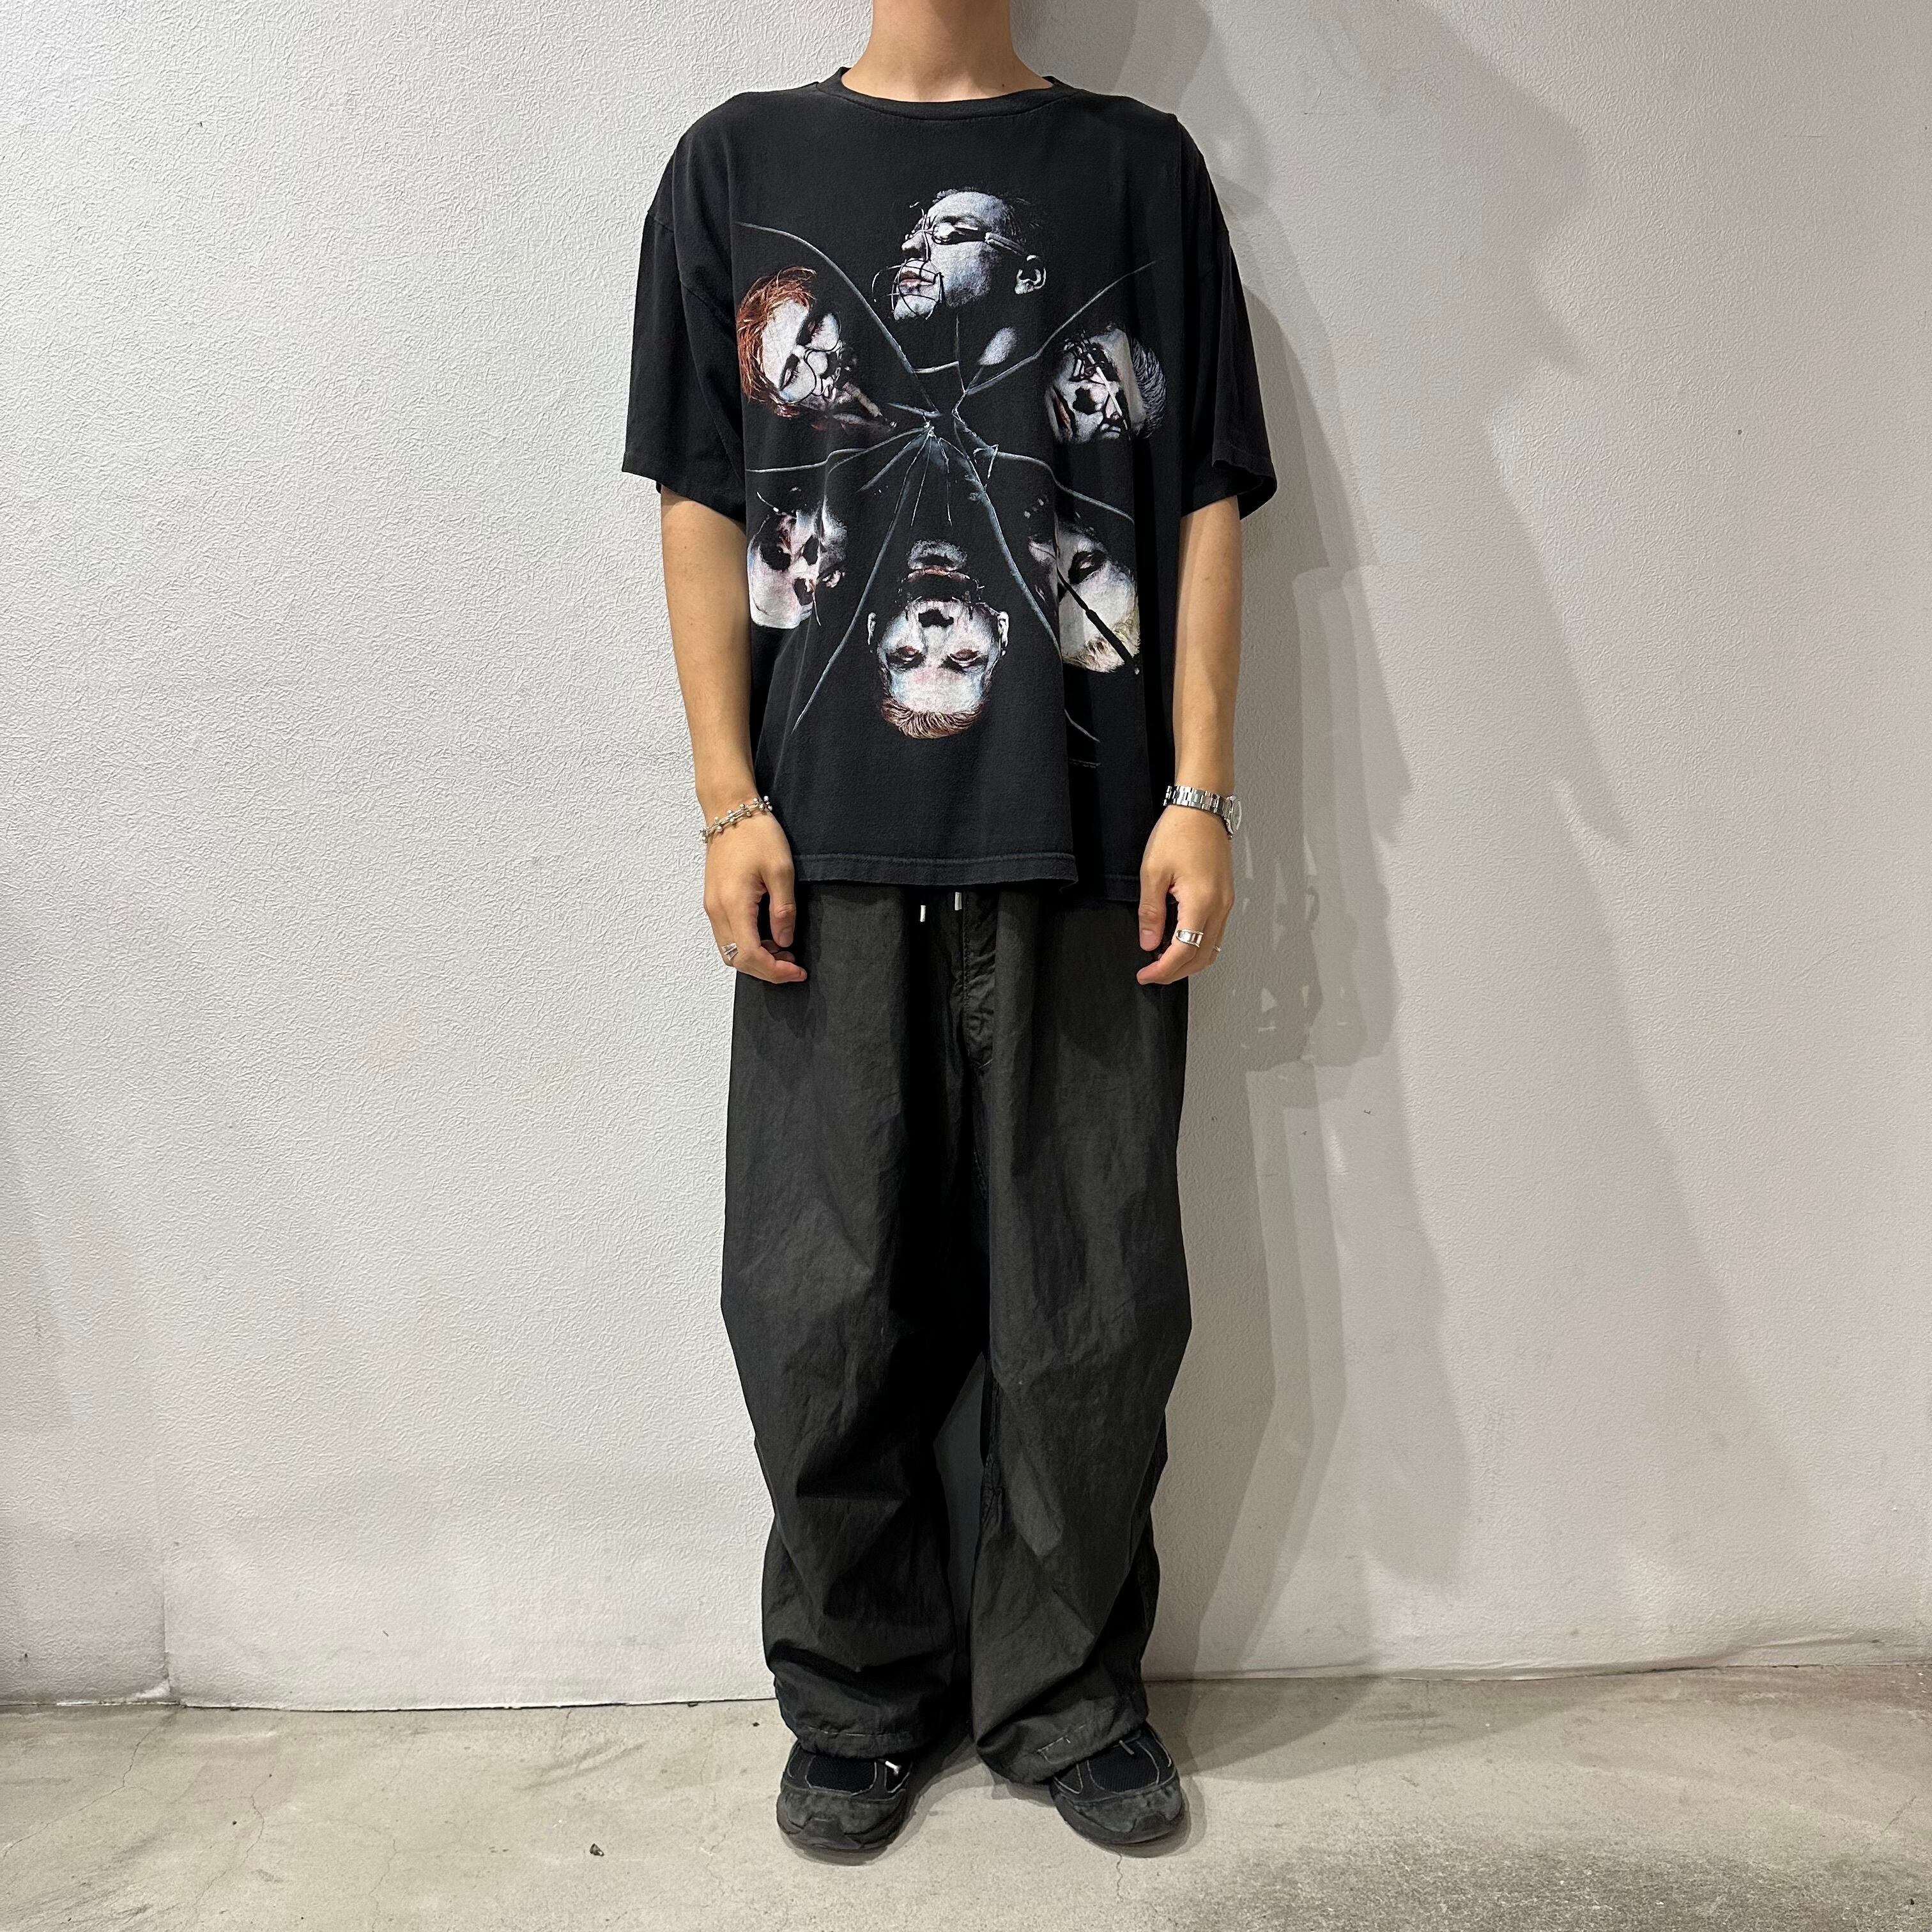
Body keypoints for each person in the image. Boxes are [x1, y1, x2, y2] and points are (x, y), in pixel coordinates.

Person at [622, 0, 1276, 1855]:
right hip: (822, 841)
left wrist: (1202, 792)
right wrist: (727, 797)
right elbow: (700, 497)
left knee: (1091, 1303)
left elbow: (1204, 494)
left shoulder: (1139, 172)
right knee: (814, 1301)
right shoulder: (736, 167)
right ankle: (857, 1693)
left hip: (1084, 839)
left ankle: (1066, 1698)